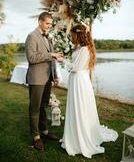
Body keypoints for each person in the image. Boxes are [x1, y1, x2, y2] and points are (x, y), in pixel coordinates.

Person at [61, 24, 118, 158]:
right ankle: (74, 134)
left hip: (80, 82)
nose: (71, 37)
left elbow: (75, 67)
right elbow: (75, 64)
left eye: (73, 35)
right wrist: (65, 59)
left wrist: (62, 60)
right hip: (78, 80)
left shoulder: (85, 50)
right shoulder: (80, 48)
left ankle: (81, 139)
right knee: (77, 108)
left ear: (78, 35)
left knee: (80, 108)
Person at [25, 12, 63, 151]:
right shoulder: (31, 36)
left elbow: (50, 59)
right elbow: (32, 58)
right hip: (36, 78)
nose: (49, 26)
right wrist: (51, 54)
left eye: (50, 24)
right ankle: (36, 137)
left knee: (44, 105)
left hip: (47, 78)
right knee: (34, 107)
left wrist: (54, 75)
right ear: (39, 21)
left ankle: (44, 131)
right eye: (47, 23)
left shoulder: (48, 37)